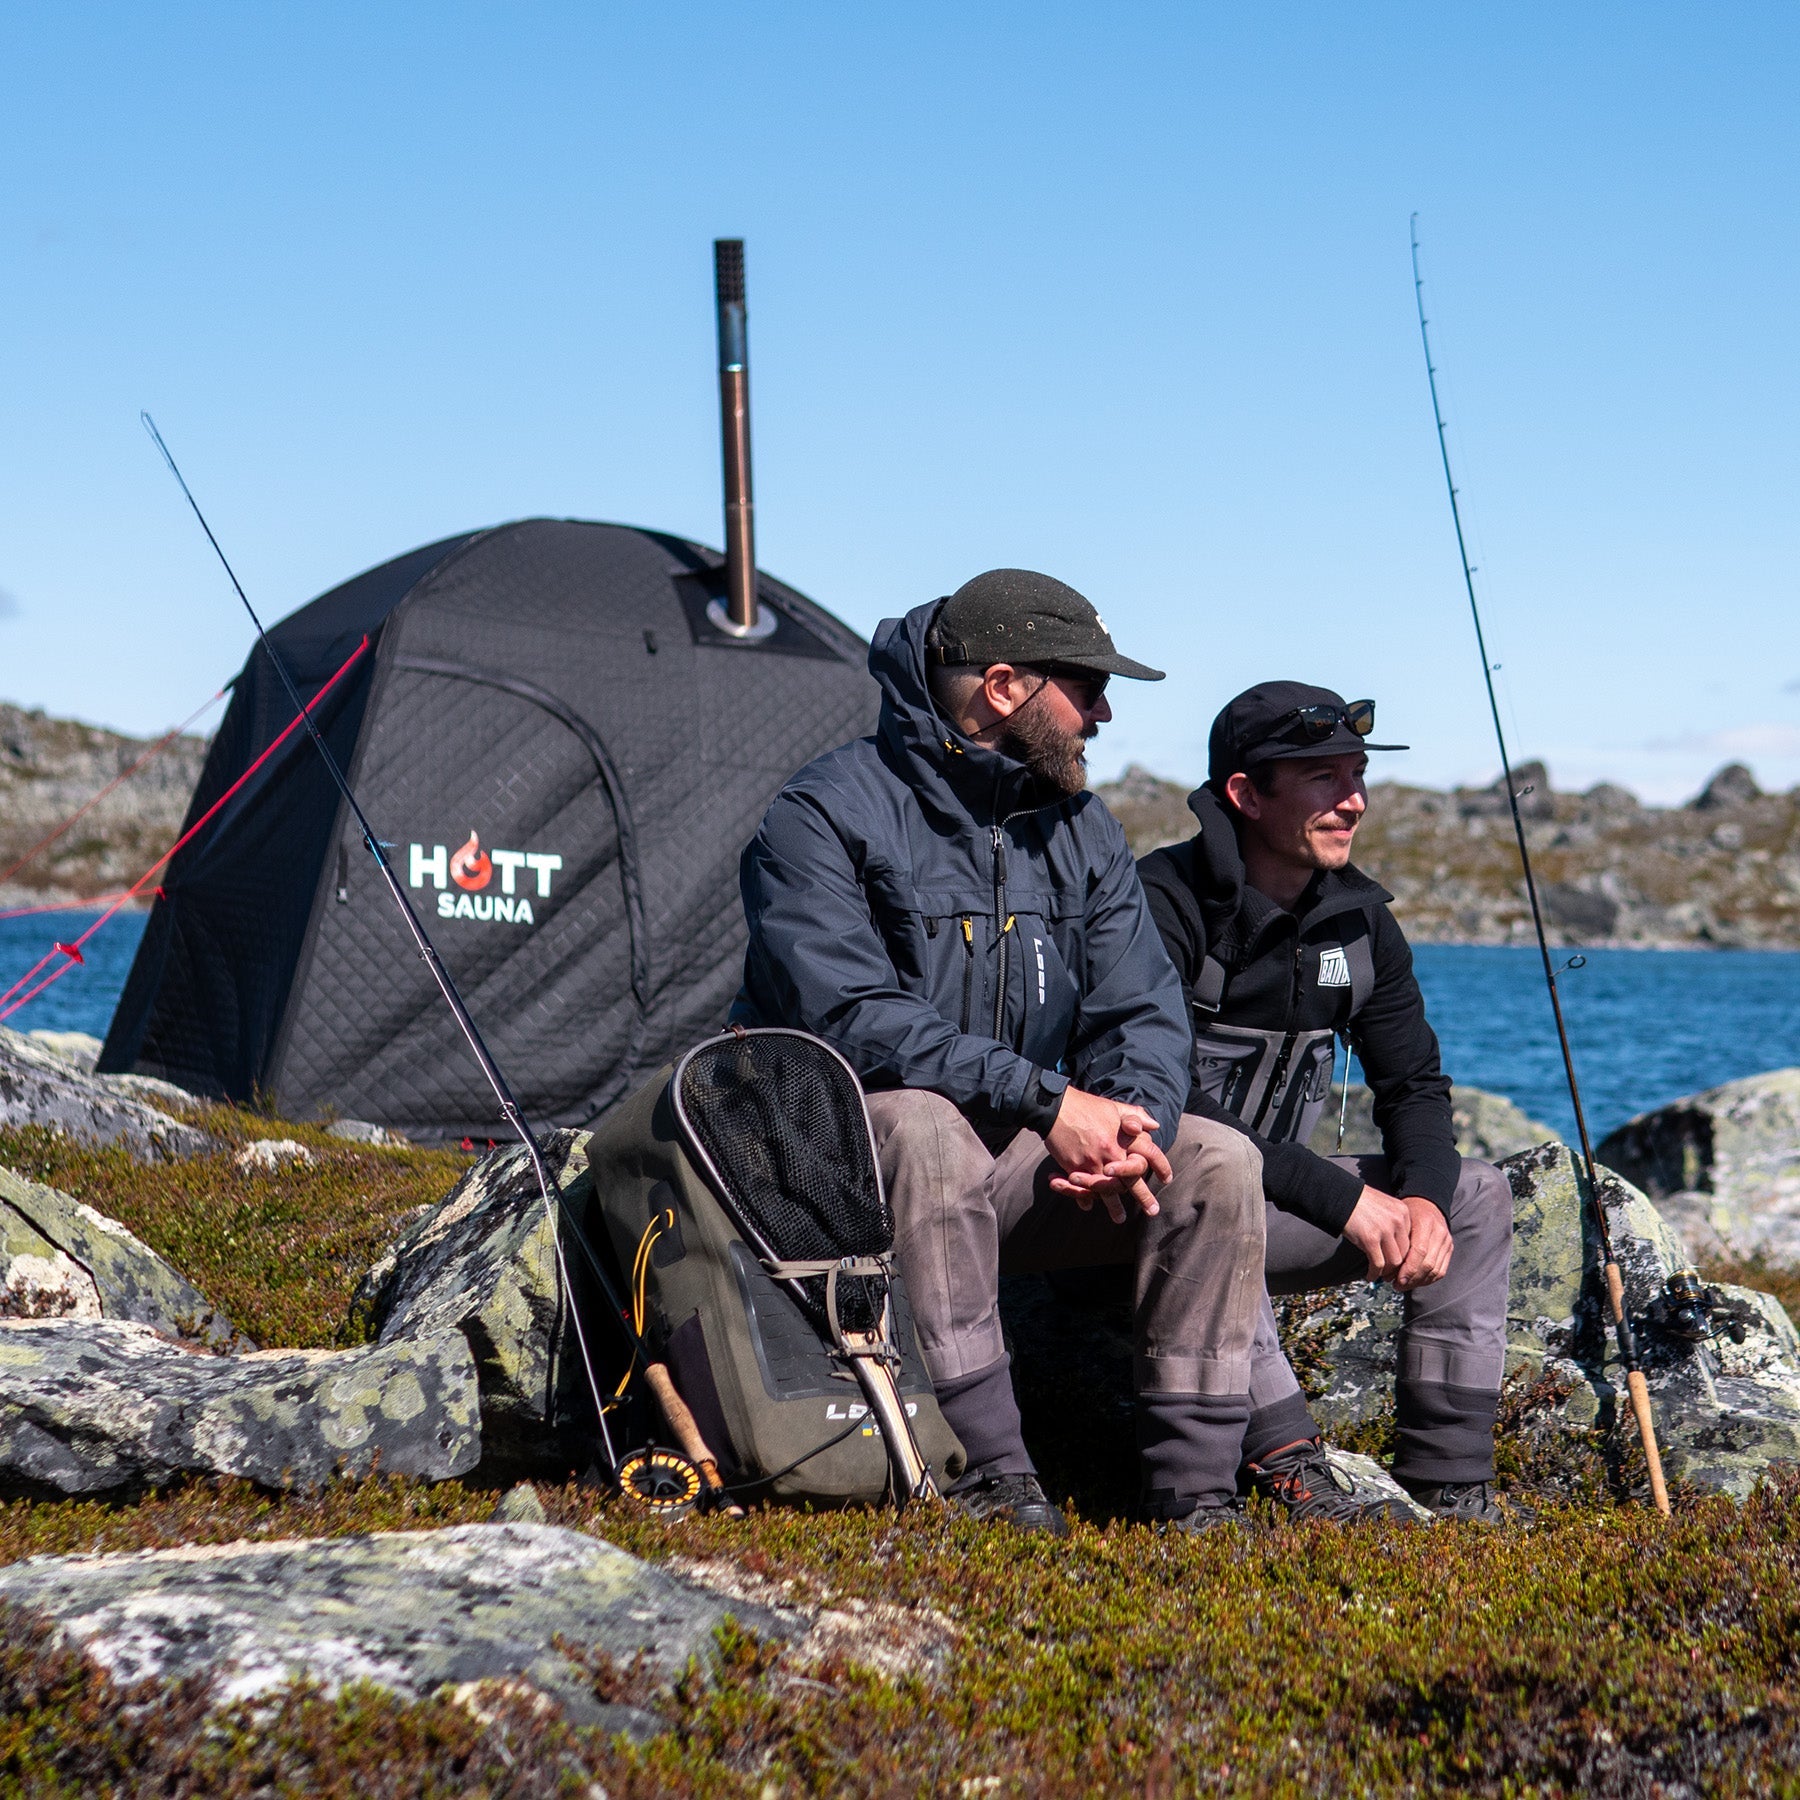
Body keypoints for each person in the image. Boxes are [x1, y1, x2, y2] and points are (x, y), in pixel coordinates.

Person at [732, 570, 1267, 1534]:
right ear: (1007, 685)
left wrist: (1127, 1128)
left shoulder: (1082, 827)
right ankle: (989, 1474)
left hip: (1016, 1161)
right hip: (840, 1170)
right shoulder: (821, 814)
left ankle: (1195, 1493)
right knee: (928, 1124)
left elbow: (1143, 1009)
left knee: (1217, 1158)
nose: (1104, 714)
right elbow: (852, 1016)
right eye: (1088, 687)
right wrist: (1049, 1101)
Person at [1137, 681, 1515, 1524]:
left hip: (1279, 1205)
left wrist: (1419, 1197)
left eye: (1358, 775)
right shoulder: (1159, 904)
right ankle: (1292, 1464)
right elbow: (1159, 1093)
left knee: (1479, 1193)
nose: (1355, 801)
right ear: (1245, 794)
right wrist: (1342, 1199)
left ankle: (1450, 1482)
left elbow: (1414, 1084)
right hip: (1155, 1213)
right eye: (1323, 779)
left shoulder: (1361, 922)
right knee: (1225, 1192)